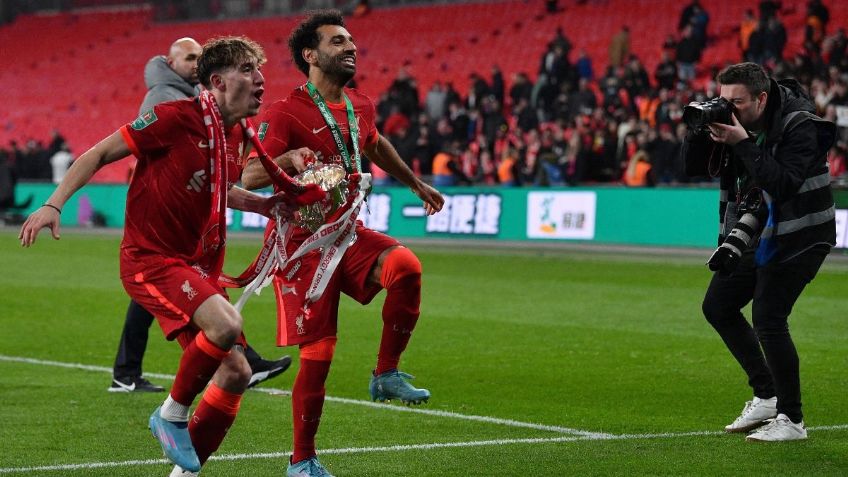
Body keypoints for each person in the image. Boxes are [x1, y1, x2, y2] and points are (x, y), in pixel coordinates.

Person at [20, 37, 317, 474]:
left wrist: (264, 204)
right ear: (217, 82)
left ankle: (181, 473)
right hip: (151, 259)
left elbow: (219, 186)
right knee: (228, 323)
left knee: (235, 372)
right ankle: (171, 414)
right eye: (248, 70)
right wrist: (53, 203)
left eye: (259, 69)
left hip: (193, 266)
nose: (260, 79)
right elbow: (100, 152)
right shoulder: (173, 118)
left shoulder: (233, 133)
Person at [240, 10, 444, 476]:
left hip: (349, 234)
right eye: (337, 42)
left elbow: (374, 145)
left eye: (351, 41)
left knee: (406, 267)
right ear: (310, 55)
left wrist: (416, 184)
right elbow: (247, 174)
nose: (350, 47)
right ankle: (301, 461)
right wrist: (289, 159)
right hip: (303, 250)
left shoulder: (360, 105)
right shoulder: (285, 110)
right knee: (319, 356)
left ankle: (385, 374)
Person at [111, 37, 291, 394]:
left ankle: (133, 372)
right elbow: (149, 154)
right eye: (189, 58)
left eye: (199, 57)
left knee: (181, 295)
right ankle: (171, 385)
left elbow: (216, 179)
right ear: (170, 62)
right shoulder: (168, 101)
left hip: (184, 232)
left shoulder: (210, 106)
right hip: (161, 225)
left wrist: (260, 202)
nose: (196, 63)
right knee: (173, 294)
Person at [683, 62, 836, 442]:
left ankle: (791, 420)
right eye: (723, 100)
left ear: (762, 98)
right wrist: (701, 130)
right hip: (757, 230)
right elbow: (688, 168)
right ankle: (767, 395)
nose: (729, 109)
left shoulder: (801, 125)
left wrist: (742, 143)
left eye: (737, 102)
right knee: (718, 305)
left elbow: (783, 184)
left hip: (801, 231)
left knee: (768, 317)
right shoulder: (738, 121)